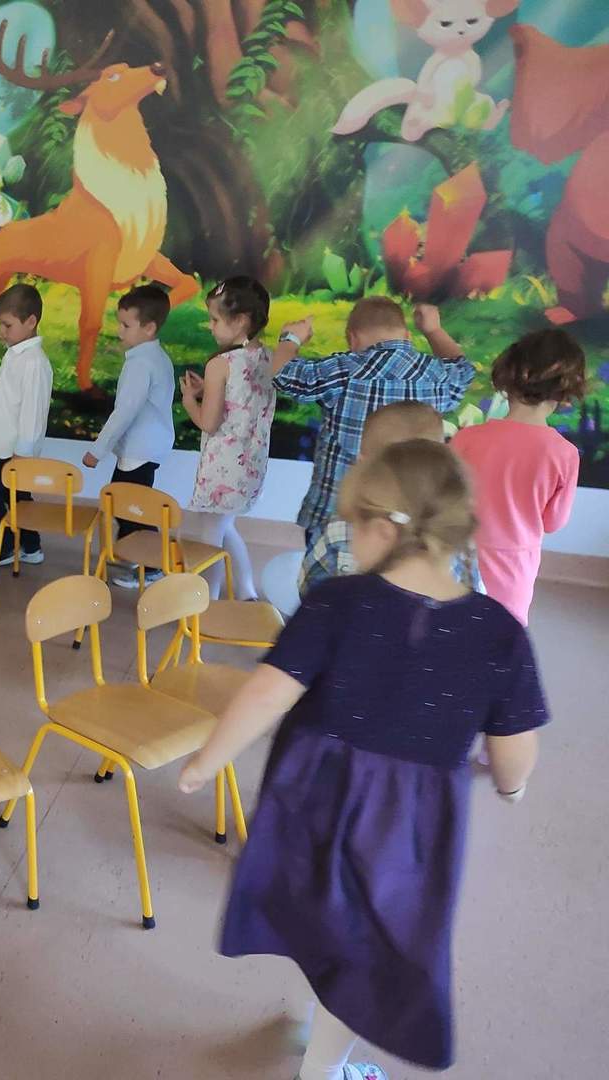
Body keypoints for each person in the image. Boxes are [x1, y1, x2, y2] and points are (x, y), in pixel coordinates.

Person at [179, 439, 547, 1080]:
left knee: (323, 917)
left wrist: (206, 762)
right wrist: (512, 787)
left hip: (312, 799)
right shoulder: (498, 631)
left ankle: (320, 1023)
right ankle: (323, 1066)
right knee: (369, 943)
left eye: (352, 524)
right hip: (406, 825)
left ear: (383, 529)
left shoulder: (337, 600)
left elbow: (267, 691)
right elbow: (514, 747)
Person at [272, 296, 474, 552]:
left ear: (352, 338)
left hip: (338, 517)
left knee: (327, 575)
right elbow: (463, 369)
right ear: (407, 336)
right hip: (408, 521)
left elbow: (282, 374)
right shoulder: (439, 376)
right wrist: (433, 330)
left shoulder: (343, 371)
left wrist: (290, 338)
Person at [451, 328, 586, 624]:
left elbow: (443, 498)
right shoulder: (564, 454)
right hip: (514, 565)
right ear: (565, 392)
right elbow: (553, 522)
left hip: (457, 553)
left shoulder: (466, 438)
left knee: (454, 627)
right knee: (504, 632)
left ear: (506, 379)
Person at [300, 401, 483, 596]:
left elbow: (309, 591)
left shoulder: (337, 531)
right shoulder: (455, 537)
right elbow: (471, 593)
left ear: (363, 465)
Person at [179, 277, 276, 600]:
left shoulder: (220, 364)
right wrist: (208, 391)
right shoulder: (268, 357)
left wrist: (190, 400)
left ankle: (206, 601)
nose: (210, 326)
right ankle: (246, 590)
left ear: (241, 321)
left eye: (215, 320)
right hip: (251, 463)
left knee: (210, 536)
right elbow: (241, 401)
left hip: (223, 465)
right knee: (224, 525)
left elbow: (208, 422)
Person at [82, 284, 177, 588]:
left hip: (140, 449)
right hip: (144, 448)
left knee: (131, 509)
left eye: (126, 325)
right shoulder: (155, 357)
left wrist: (97, 451)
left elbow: (124, 412)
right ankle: (135, 555)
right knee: (125, 504)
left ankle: (153, 566)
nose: (118, 331)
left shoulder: (141, 363)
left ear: (149, 328)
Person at [0, 283, 53, 568]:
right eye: (1, 325)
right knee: (17, 497)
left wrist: (22, 453)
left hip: (13, 449)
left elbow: (33, 413)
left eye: (7, 325)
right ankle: (31, 546)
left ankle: (4, 547)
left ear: (31, 322)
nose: (2, 331)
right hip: (0, 441)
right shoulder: (14, 354)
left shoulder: (34, 363)